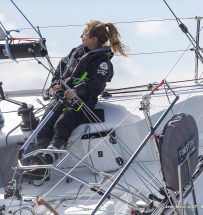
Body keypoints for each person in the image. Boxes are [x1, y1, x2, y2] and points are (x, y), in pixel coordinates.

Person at [23, 20, 129, 180]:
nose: (81, 36)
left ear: (94, 39)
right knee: (44, 125)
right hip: (61, 97)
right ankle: (39, 167)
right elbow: (61, 68)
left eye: (85, 34)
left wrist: (77, 91)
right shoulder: (76, 52)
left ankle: (49, 158)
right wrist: (55, 85)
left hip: (82, 101)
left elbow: (97, 84)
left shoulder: (103, 62)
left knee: (62, 123)